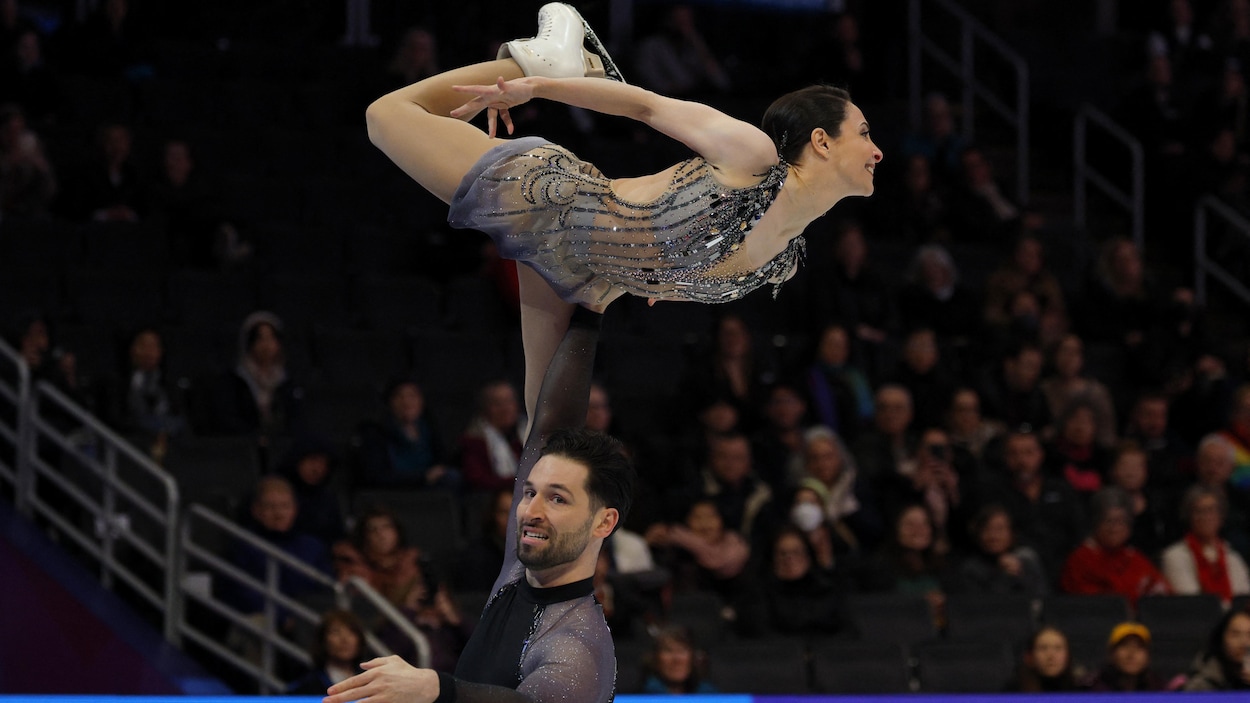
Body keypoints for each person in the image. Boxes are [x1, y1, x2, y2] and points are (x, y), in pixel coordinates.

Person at [364, 1, 882, 426]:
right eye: (863, 133)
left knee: (546, 436)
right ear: (821, 140)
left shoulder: (786, 258)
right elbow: (647, 106)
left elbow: (679, 270)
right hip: (551, 201)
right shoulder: (753, 157)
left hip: (587, 278)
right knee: (385, 116)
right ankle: (541, 62)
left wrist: (654, 278)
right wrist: (535, 87)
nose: (877, 150)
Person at [325, 307, 634, 703]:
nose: (530, 511)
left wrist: (438, 689)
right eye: (529, 491)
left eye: (558, 498)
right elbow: (550, 425)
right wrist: (589, 314)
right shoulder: (520, 572)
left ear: (603, 522)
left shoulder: (577, 642)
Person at [1059, 487, 1172, 607]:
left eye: (1121, 521)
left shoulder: (1135, 557)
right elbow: (1092, 605)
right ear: (1095, 523)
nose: (1115, 529)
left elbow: (1163, 594)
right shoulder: (1080, 559)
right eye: (1109, 521)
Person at [357, 378, 460, 492]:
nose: (406, 402)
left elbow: (442, 461)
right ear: (390, 402)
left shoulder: (429, 427)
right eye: (399, 396)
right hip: (394, 492)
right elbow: (376, 476)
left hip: (430, 490)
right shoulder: (375, 432)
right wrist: (422, 477)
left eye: (412, 396)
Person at [1160, 484, 1250, 604]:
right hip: (1200, 619)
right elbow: (1193, 602)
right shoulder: (1174, 555)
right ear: (1188, 516)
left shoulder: (1232, 555)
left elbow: (1243, 599)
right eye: (1199, 511)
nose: (1206, 517)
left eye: (1211, 510)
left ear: (1221, 517)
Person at [956, 503, 1048, 598]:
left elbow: (1043, 599)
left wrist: (1020, 575)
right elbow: (978, 605)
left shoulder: (1027, 560)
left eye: (1000, 529)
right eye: (987, 529)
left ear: (1012, 533)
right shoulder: (971, 569)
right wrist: (1002, 575)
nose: (993, 536)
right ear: (978, 535)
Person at [458, 380, 524, 493]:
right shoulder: (474, 439)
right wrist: (518, 481)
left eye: (509, 401)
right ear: (485, 408)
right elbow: (478, 480)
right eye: (497, 403)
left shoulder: (527, 433)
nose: (505, 409)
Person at [287, 609, 367, 694]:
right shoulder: (304, 688)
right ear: (323, 640)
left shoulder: (371, 682)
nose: (345, 639)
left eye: (352, 632)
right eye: (336, 632)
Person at [1181, 605, 1250, 690]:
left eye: (1249, 634)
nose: (1244, 642)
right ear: (1221, 638)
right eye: (1235, 634)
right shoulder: (1208, 671)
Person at [1083, 621, 1165, 692]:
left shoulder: (1159, 689)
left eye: (1139, 647)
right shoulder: (1092, 689)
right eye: (1124, 646)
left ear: (1148, 656)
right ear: (1111, 653)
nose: (1131, 654)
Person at [637, 625, 717, 695]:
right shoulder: (643, 695)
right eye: (668, 651)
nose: (677, 659)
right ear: (655, 659)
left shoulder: (708, 694)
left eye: (682, 651)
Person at [1003, 626, 1082, 692]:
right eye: (1043, 648)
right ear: (1029, 657)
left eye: (1058, 648)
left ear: (1068, 655)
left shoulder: (1083, 690)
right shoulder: (1013, 692)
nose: (1051, 656)